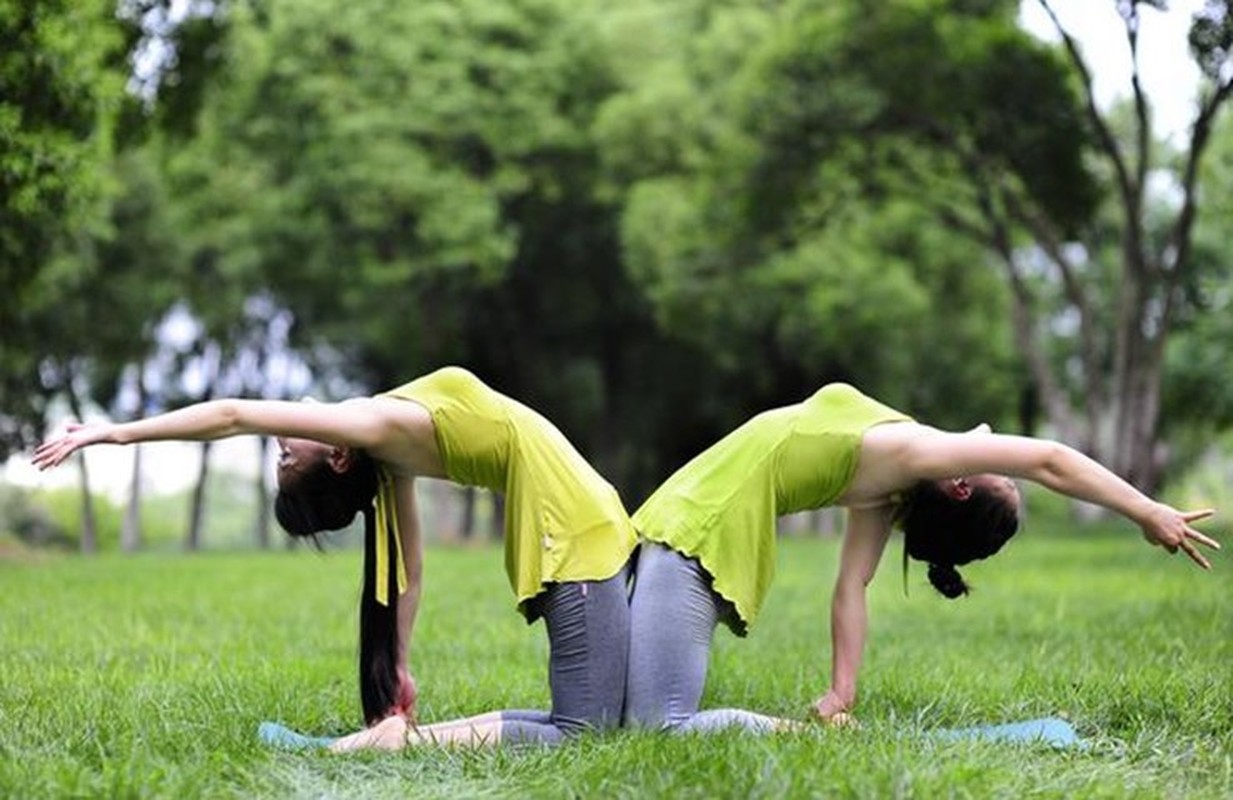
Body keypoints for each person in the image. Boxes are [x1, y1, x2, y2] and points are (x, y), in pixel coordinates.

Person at [34, 366, 638, 748]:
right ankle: (372, 746)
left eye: (281, 458)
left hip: (571, 523)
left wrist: (397, 662)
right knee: (585, 732)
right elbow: (233, 415)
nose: (281, 443)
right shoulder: (371, 428)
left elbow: (412, 571)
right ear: (338, 457)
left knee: (593, 725)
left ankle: (388, 742)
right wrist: (113, 433)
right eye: (288, 458)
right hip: (570, 527)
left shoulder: (380, 434)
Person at [622, 382, 1220, 733]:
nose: (987, 446)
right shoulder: (897, 456)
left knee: (649, 722)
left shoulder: (896, 471)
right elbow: (853, 586)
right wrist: (841, 696)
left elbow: (1049, 461)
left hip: (697, 535)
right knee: (633, 716)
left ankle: (791, 734)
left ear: (960, 484)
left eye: (995, 474)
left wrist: (1147, 510)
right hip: (687, 528)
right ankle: (794, 731)